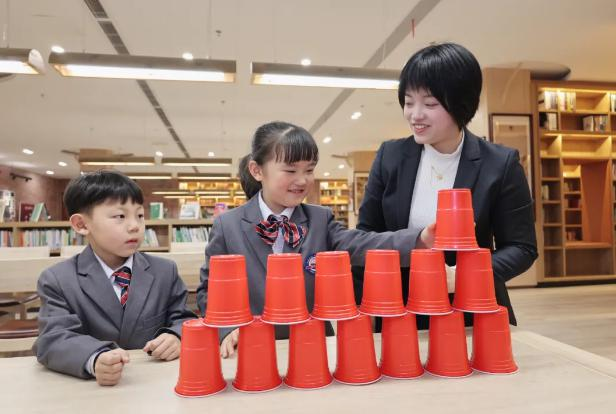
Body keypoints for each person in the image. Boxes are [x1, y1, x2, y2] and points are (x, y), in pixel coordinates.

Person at [353, 43, 538, 328]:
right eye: (408, 102)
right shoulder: (390, 157)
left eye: (430, 104)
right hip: (399, 311)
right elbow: (367, 236)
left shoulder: (499, 163)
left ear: (460, 104)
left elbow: (521, 247)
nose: (415, 115)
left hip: (473, 312)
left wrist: (466, 276)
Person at [197, 121, 417, 358]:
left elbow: (364, 244)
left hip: (314, 348)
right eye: (291, 171)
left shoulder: (320, 220)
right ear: (257, 170)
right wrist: (225, 330)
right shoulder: (228, 226)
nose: (302, 180)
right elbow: (208, 292)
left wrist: (419, 240)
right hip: (251, 350)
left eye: (309, 170)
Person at [34, 171, 195, 386]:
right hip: (90, 391)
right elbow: (53, 339)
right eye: (120, 216)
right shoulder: (58, 279)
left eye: (140, 215)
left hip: (155, 384)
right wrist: (94, 358)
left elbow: (184, 319)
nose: (135, 226)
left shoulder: (164, 271)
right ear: (81, 224)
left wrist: (176, 336)